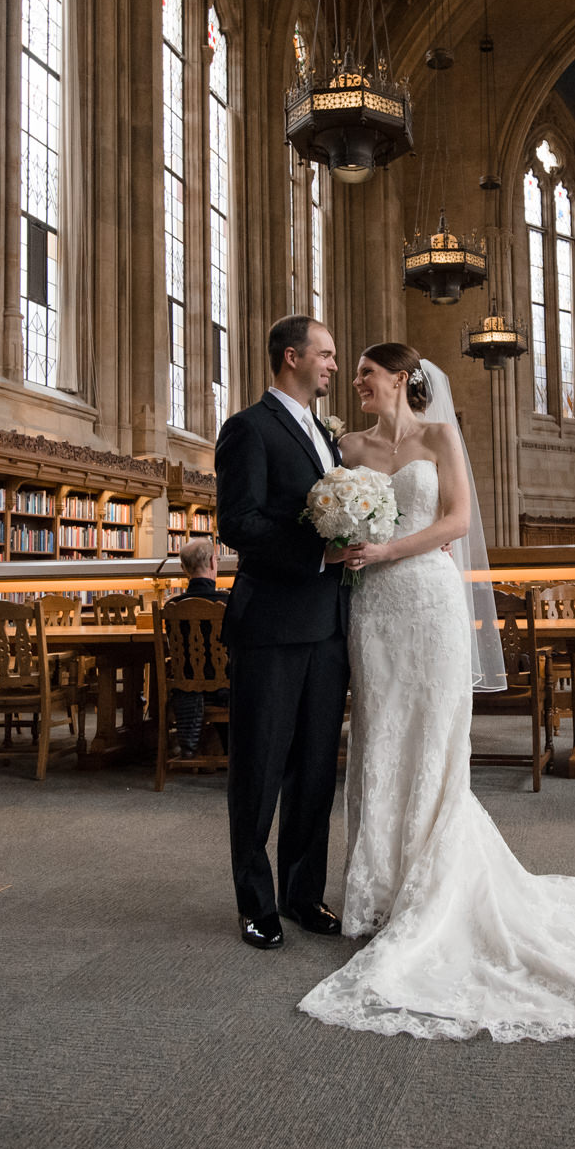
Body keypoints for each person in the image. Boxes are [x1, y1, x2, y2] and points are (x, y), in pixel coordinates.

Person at [296, 343, 575, 1042]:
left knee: (436, 737)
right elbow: (331, 518)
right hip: (370, 611)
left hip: (428, 602)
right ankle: (374, 892)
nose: (355, 384)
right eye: (351, 376)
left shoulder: (441, 435)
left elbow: (456, 524)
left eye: (367, 375)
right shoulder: (344, 444)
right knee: (379, 733)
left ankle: (430, 887)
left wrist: (385, 550)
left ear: (401, 380)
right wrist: (346, 539)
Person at [212, 315, 352, 951]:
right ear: (291, 356)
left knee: (316, 769)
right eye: (324, 355)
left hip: (327, 626)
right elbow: (238, 524)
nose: (332, 365)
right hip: (270, 623)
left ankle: (302, 894)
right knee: (260, 769)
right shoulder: (248, 428)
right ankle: (255, 903)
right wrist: (319, 551)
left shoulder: (325, 434)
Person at [168, 540, 227, 760]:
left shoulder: (171, 607)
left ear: (183, 569)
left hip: (187, 688)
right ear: (213, 562)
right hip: (226, 688)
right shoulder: (227, 603)